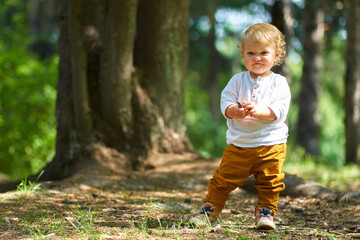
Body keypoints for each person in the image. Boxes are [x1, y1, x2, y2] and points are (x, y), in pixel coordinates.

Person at [189, 23, 291, 230]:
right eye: (251, 53)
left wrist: (259, 111)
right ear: (243, 54)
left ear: (276, 55)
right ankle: (210, 209)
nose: (257, 58)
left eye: (264, 52)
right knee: (223, 179)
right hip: (239, 144)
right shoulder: (237, 80)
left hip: (271, 145)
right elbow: (225, 101)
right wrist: (233, 111)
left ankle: (265, 212)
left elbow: (278, 111)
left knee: (271, 182)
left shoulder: (279, 83)